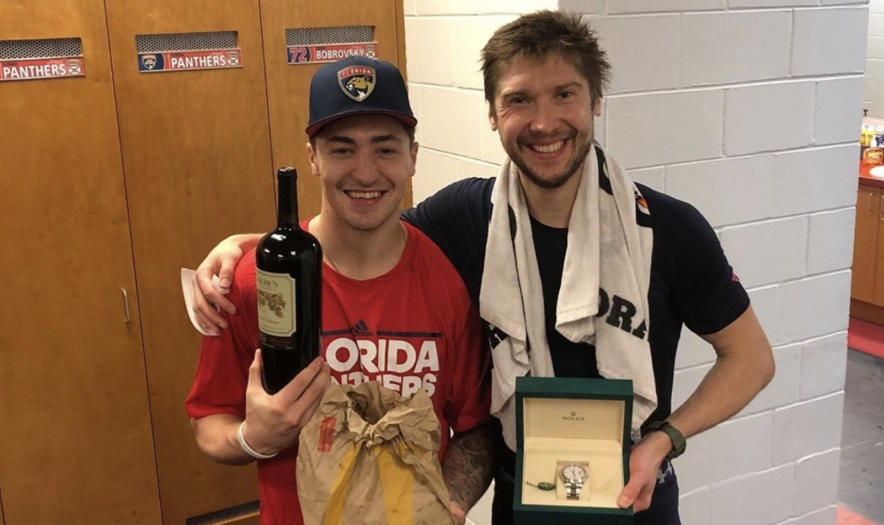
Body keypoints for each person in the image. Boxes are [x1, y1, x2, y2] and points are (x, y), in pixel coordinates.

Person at [190, 11, 775, 524]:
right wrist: (249, 248)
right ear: (494, 114)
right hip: (520, 501)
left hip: (637, 497)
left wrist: (663, 441)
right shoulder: (467, 217)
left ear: (596, 100)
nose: (544, 122)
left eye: (565, 94)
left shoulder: (668, 229)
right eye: (520, 99)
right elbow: (361, 224)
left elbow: (751, 359)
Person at [185, 56, 495, 525]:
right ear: (312, 157)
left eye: (385, 149)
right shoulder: (256, 283)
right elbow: (208, 421)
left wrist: (447, 507)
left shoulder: (446, 282)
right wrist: (254, 438)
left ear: (414, 156)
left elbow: (475, 428)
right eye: (342, 149)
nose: (366, 173)